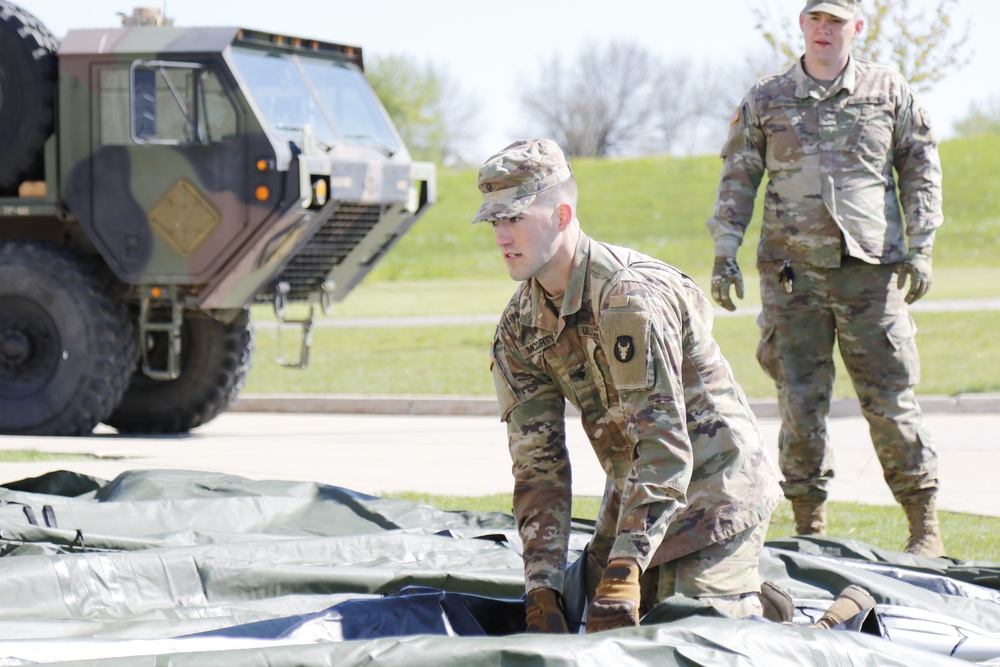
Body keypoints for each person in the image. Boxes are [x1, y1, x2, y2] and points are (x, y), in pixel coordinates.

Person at [475, 138, 783, 633]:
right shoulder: (519, 328)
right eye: (495, 222)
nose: (502, 237)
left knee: (687, 635)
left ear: (560, 215)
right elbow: (539, 473)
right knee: (584, 624)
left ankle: (783, 615)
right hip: (637, 491)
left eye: (515, 218)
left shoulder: (627, 298)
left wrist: (625, 571)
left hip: (716, 488)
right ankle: (735, 595)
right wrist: (541, 590)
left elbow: (665, 447)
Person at [706, 0, 945, 557]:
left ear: (856, 28)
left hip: (871, 276)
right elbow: (738, 175)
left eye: (835, 21)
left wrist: (923, 246)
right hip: (792, 280)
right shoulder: (768, 97)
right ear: (802, 26)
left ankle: (923, 525)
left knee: (890, 402)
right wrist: (725, 251)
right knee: (800, 404)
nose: (824, 30)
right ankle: (809, 527)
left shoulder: (888, 91)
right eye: (816, 19)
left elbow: (920, 168)